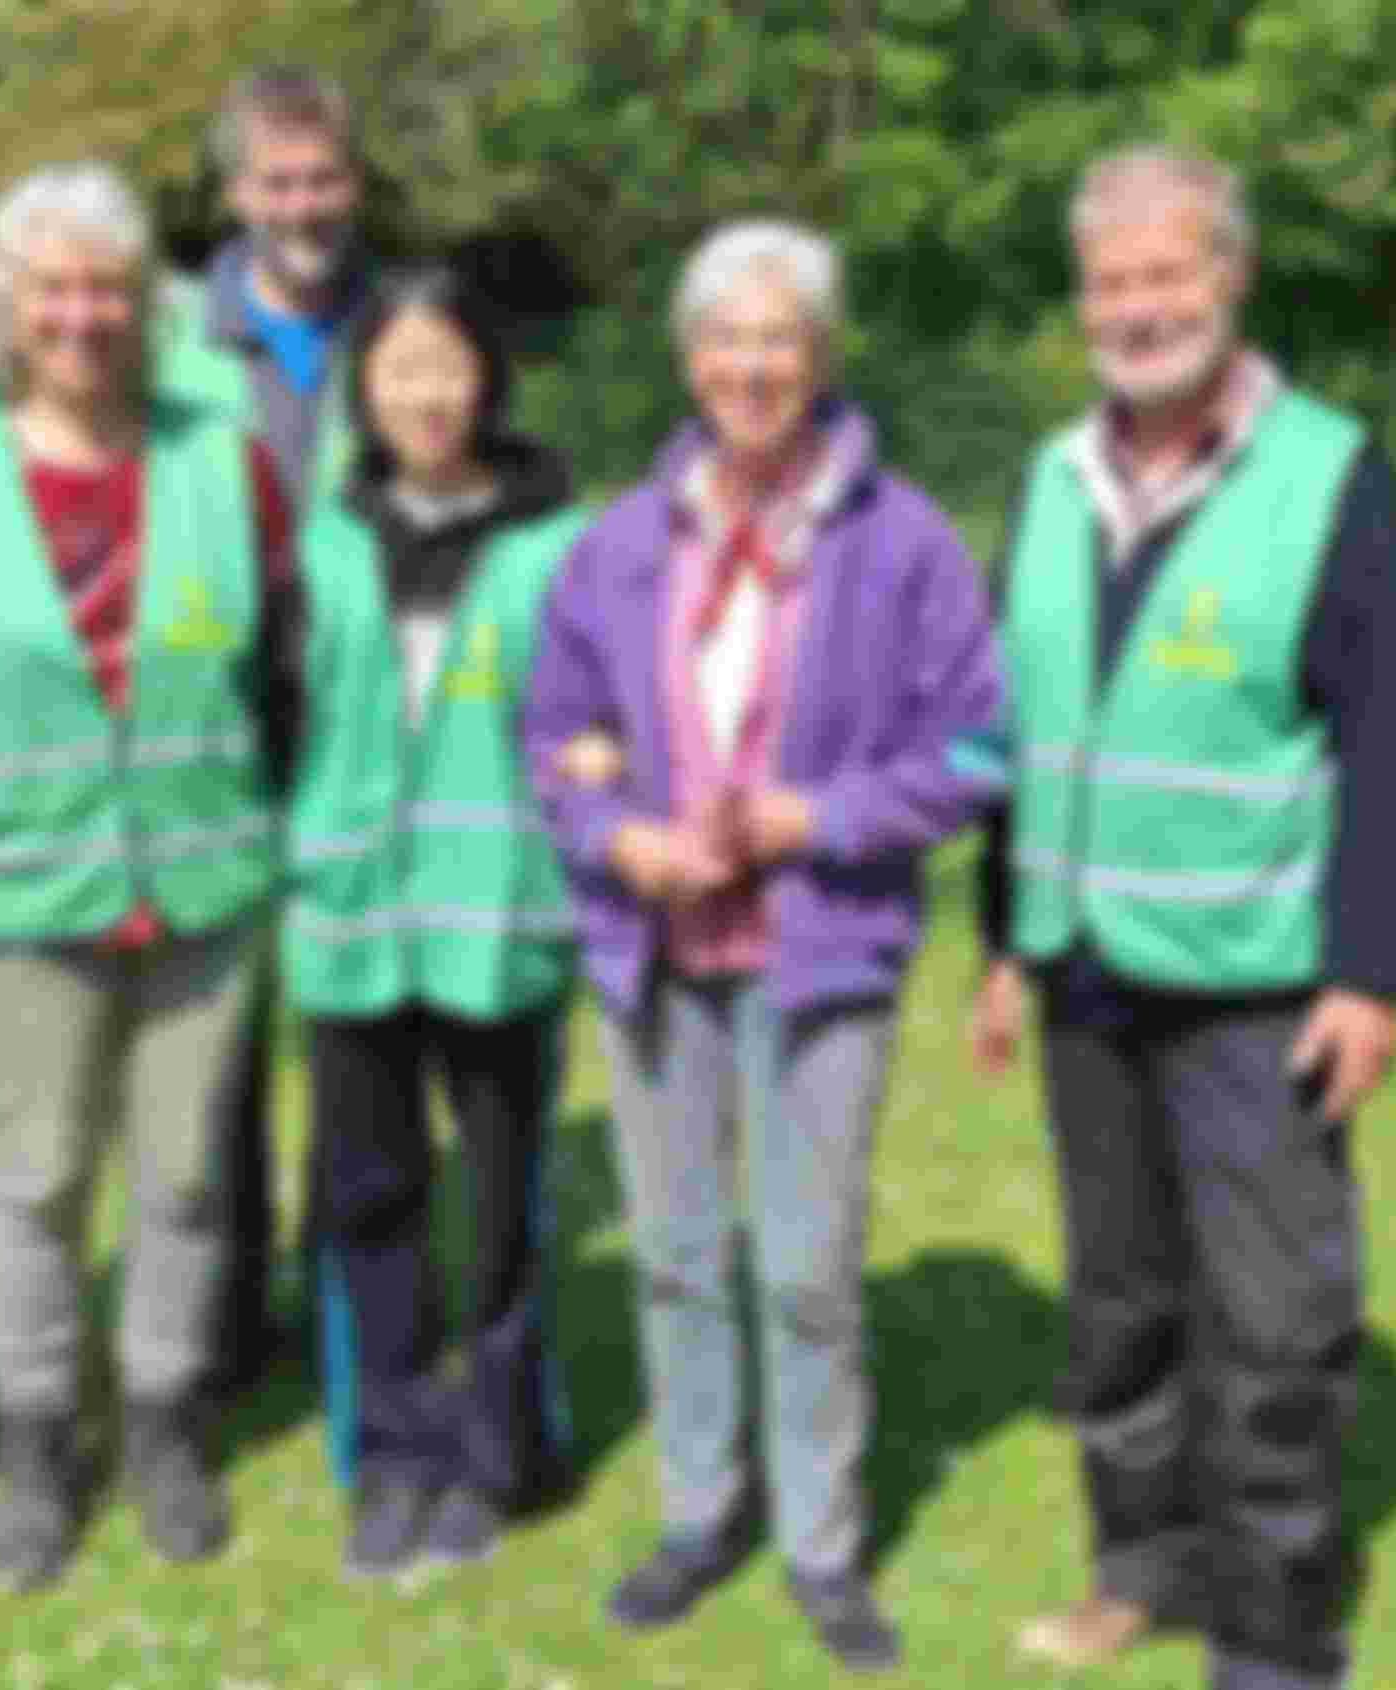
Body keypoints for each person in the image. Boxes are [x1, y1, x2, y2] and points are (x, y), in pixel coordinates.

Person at [966, 143, 1396, 1690]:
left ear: (1228, 278)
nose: (1138, 307)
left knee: (1271, 1321)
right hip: (1085, 970)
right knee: (1117, 1304)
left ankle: (1274, 1635)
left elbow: (1381, 740)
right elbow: (1019, 727)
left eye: (1167, 273)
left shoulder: (1325, 473)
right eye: (1109, 281)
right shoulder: (1050, 480)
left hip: (1256, 976)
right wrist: (1001, 937)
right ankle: (1139, 1569)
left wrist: (1372, 971)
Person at [521, 219, 1006, 1674]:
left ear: (822, 355)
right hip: (655, 953)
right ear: (688, 362)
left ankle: (820, 1542)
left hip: (821, 951)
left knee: (806, 1266)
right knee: (677, 1258)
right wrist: (619, 839)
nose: (751, 366)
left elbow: (978, 748)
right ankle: (698, 1512)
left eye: (778, 337)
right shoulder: (620, 541)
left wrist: (815, 817)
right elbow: (550, 733)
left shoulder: (905, 542)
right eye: (725, 339)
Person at [0, 160, 305, 1594]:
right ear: (3, 307)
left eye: (108, 287)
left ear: (146, 305)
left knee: (186, 1177)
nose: (81, 314)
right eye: (50, 288)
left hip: (201, 883)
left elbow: (286, 656)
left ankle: (168, 1420)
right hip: (26, 892)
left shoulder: (224, 461)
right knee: (43, 1177)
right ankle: (37, 1440)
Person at [281, 266, 589, 1577]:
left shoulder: (561, 542)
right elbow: (268, 712)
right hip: (351, 919)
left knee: (506, 1204)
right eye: (398, 367)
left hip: (500, 917)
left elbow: (606, 711)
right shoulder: (318, 542)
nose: (425, 394)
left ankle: (503, 1453)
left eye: (448, 365)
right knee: (369, 1195)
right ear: (363, 386)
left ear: (490, 378)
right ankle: (396, 1452)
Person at [158, 64, 383, 1401]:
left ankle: (349, 1283)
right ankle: (228, 1312)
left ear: (354, 184)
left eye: (324, 178)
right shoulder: (176, 342)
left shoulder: (404, 322)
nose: (304, 205)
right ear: (236, 193)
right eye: (277, 182)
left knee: (352, 1011)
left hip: (361, 718)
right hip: (219, 722)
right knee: (218, 1027)